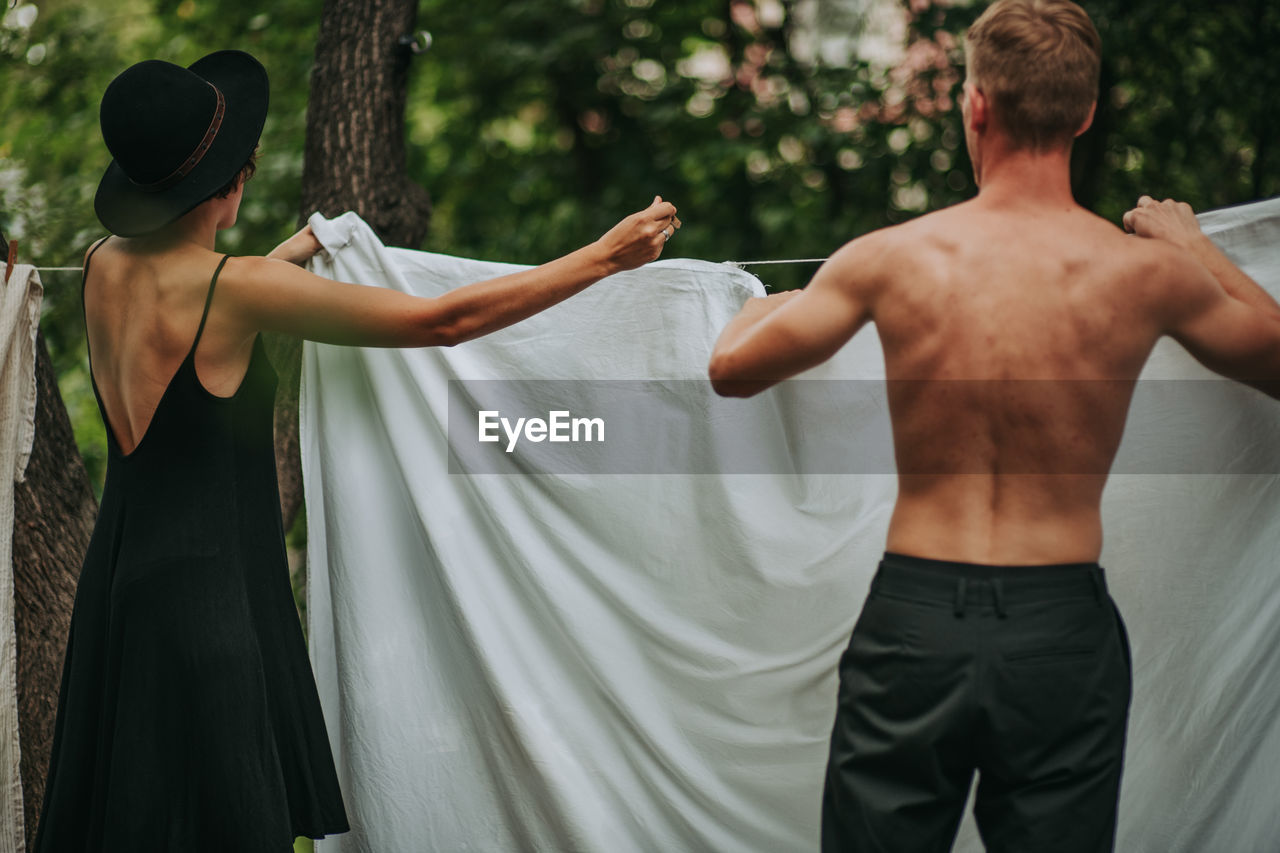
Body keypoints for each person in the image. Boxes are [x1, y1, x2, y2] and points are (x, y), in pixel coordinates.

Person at [35, 50, 679, 852]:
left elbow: (193, 305)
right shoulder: (231, 290)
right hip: (210, 604)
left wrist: (293, 253)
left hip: (123, 590)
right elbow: (438, 323)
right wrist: (602, 258)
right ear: (227, 184)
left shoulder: (103, 266)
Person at [707, 1, 1280, 850]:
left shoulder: (890, 258)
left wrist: (778, 303)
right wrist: (1195, 245)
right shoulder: (1146, 275)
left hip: (916, 621)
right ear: (1085, 113)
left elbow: (731, 371)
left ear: (975, 105)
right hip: (1061, 629)